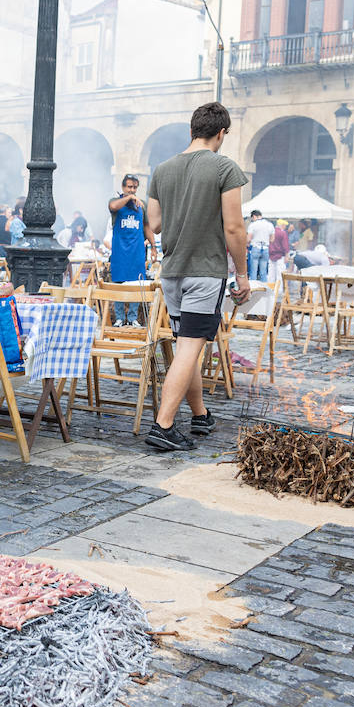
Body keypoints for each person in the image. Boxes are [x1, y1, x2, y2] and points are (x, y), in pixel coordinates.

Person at [142, 102, 249, 452]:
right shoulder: (224, 168)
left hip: (172, 273)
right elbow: (234, 227)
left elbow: (154, 224)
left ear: (192, 130)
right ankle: (164, 425)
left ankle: (200, 415)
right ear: (221, 133)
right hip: (205, 271)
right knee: (191, 348)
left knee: (185, 347)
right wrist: (243, 274)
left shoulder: (162, 169)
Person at [108, 175, 150, 325]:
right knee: (119, 284)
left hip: (137, 252)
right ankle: (119, 318)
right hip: (120, 252)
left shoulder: (142, 205)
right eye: (129, 187)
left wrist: (153, 247)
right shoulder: (115, 202)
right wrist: (129, 198)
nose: (132, 190)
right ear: (123, 187)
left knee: (136, 284)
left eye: (134, 187)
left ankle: (132, 318)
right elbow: (113, 207)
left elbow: (146, 226)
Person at [246, 209, 273, 282]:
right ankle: (264, 289)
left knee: (253, 271)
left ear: (254, 216)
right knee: (263, 272)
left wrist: (247, 245)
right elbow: (272, 239)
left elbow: (248, 238)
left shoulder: (253, 225)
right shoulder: (269, 224)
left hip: (255, 247)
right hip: (265, 248)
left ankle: (253, 289)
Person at [268, 218, 290, 283]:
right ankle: (279, 291)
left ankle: (270, 289)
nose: (285, 227)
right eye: (285, 226)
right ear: (282, 225)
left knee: (271, 274)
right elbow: (285, 245)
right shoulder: (283, 233)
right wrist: (287, 256)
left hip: (271, 255)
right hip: (280, 256)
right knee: (279, 274)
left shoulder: (271, 232)